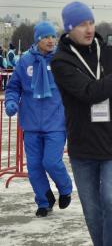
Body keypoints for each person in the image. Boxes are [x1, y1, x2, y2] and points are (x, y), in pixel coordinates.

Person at [51, 1, 112, 246]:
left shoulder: (108, 52)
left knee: (110, 200)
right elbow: (90, 92)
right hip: (83, 146)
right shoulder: (61, 62)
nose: (88, 29)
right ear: (68, 29)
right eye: (81, 24)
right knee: (92, 210)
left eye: (91, 23)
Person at [4, 21, 73, 217]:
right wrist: (11, 102)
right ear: (37, 40)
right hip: (31, 123)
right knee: (34, 167)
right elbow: (13, 87)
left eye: (53, 37)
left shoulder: (62, 60)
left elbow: (74, 87)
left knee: (51, 162)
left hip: (55, 122)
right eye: (46, 37)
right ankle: (44, 200)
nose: (51, 40)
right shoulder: (25, 61)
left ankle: (65, 187)